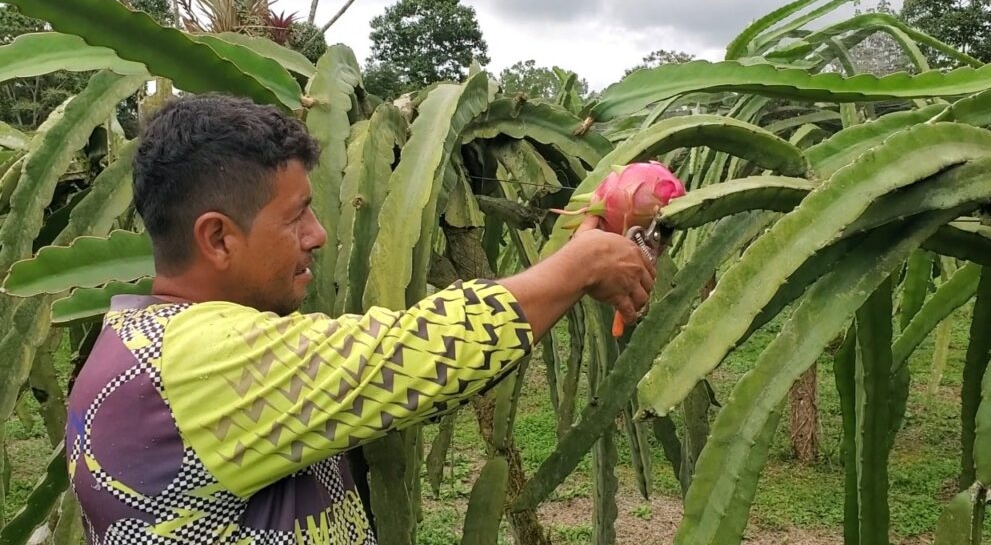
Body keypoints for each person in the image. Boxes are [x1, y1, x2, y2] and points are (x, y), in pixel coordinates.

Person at [65, 94, 654, 544]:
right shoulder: (192, 363)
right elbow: (416, 354)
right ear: (218, 238)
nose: (319, 236)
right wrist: (582, 264)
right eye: (296, 217)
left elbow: (404, 380)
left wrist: (575, 262)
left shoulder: (146, 344)